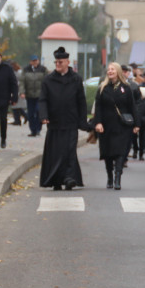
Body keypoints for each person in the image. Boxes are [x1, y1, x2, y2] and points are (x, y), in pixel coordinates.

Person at [38, 47, 88, 190]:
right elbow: (43, 100)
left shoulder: (76, 79)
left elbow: (81, 101)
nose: (57, 65)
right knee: (55, 152)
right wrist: (44, 116)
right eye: (56, 62)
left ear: (67, 62)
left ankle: (69, 178)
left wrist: (82, 121)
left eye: (60, 62)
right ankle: (56, 180)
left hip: (71, 121)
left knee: (70, 151)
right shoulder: (48, 80)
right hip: (54, 122)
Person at [91, 62, 141, 189]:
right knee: (108, 153)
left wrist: (136, 124)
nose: (110, 71)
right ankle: (109, 177)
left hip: (122, 126)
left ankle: (118, 177)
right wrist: (98, 123)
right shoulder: (103, 88)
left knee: (120, 152)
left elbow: (132, 106)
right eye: (108, 69)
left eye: (112, 69)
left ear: (118, 71)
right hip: (106, 126)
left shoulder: (126, 87)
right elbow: (99, 107)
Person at [0, 50, 19, 148]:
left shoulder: (7, 68)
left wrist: (14, 97)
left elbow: (14, 83)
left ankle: (3, 139)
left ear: (1, 57)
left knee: (3, 119)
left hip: (4, 98)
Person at [21, 55, 47, 138]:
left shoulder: (43, 69)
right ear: (30, 62)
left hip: (40, 95)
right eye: (33, 61)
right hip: (29, 94)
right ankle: (33, 130)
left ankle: (38, 128)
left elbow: (47, 81)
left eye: (36, 60)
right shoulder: (26, 70)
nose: (35, 62)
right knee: (31, 113)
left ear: (38, 61)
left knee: (38, 110)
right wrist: (22, 92)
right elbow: (22, 81)